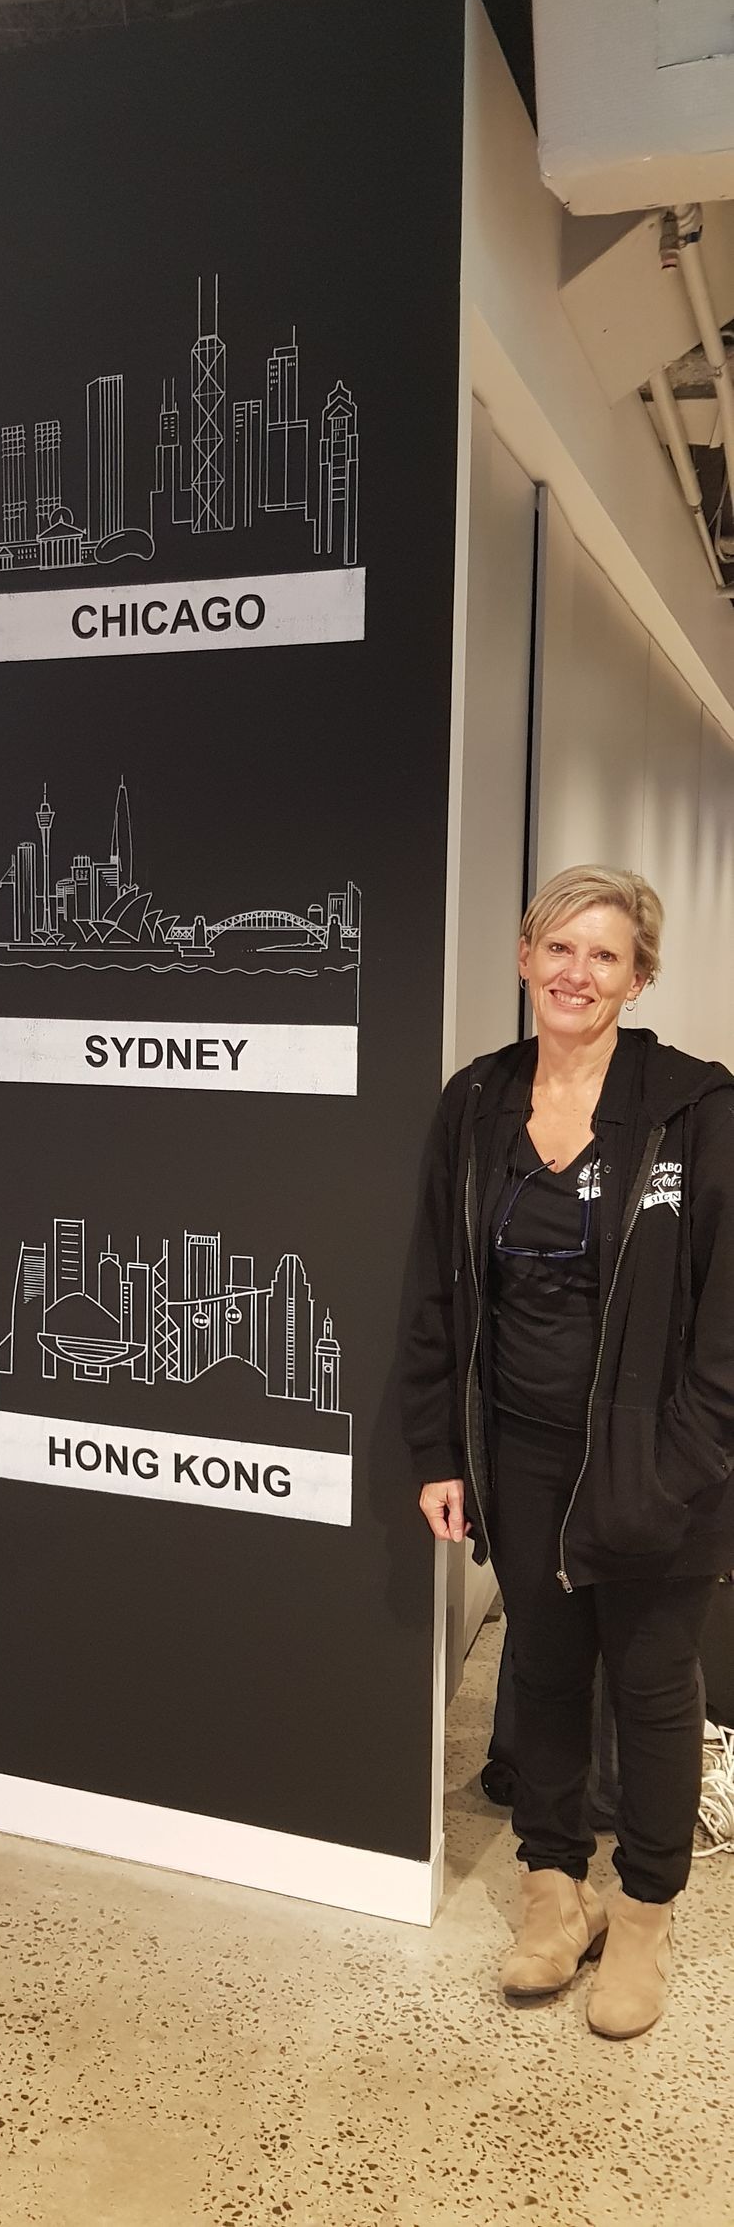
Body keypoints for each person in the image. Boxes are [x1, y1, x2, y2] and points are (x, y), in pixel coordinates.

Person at [402, 865, 734, 2039]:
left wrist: (685, 1461)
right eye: (556, 947)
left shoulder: (695, 1108)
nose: (574, 973)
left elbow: (726, 1315)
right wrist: (440, 1449)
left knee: (651, 1687)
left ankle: (642, 1911)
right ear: (523, 958)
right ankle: (554, 1887)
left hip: (659, 1461)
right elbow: (436, 1291)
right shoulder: (477, 1101)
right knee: (540, 1669)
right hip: (520, 1450)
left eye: (602, 955)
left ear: (636, 978)